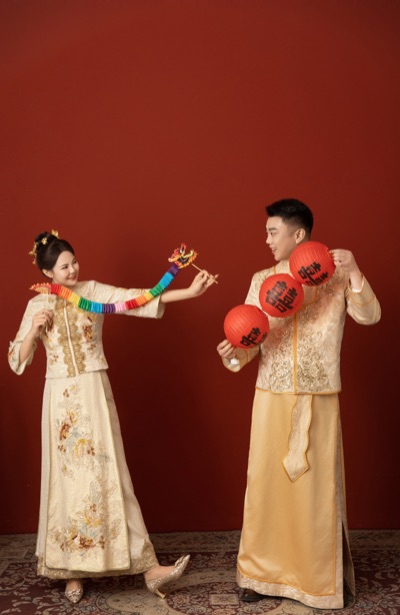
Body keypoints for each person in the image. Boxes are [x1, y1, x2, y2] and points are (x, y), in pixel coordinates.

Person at [8, 230, 217, 604]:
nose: (73, 269)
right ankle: (71, 571)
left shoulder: (92, 291)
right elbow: (16, 360)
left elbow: (136, 299)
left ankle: (148, 567)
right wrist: (34, 330)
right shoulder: (37, 304)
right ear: (47, 272)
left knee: (111, 474)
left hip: (93, 390)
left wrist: (188, 291)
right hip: (59, 401)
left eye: (74, 261)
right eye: (64, 266)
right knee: (66, 482)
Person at [217, 199, 381, 610]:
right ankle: (259, 576)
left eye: (273, 232)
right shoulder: (262, 280)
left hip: (318, 394)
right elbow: (253, 337)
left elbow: (370, 316)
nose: (267, 240)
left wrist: (355, 271)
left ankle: (316, 581)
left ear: (299, 234)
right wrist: (233, 351)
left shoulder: (336, 277)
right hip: (270, 394)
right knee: (265, 488)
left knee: (315, 493)